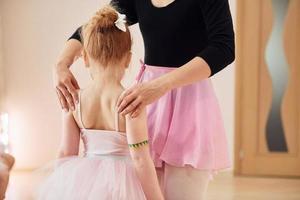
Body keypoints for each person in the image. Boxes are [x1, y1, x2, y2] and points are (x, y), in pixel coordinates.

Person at [54, 0, 235, 199]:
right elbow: (99, 26)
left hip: (187, 101)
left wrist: (161, 85)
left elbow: (224, 47)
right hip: (147, 100)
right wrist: (61, 63)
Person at [38, 6, 163, 200]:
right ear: (128, 59)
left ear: (85, 58)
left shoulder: (75, 100)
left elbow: (67, 151)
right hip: (123, 185)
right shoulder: (131, 102)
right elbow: (140, 159)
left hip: (85, 183)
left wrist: (60, 186)